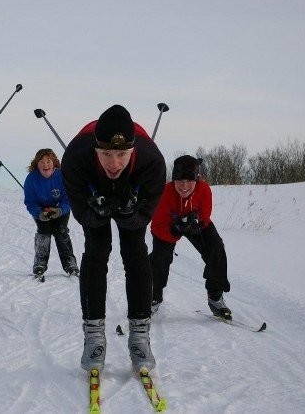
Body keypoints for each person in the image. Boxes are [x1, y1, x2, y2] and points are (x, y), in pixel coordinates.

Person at [61, 104, 166, 373]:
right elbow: (83, 215)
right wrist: (97, 212)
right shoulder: (75, 158)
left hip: (134, 186)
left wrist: (129, 212)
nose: (114, 162)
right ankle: (94, 335)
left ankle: (140, 337)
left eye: (121, 153)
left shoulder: (152, 162)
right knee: (97, 249)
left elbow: (144, 217)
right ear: (96, 149)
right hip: (91, 187)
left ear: (133, 150)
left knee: (135, 250)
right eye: (106, 153)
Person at [149, 155, 231, 319]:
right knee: (159, 258)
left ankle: (215, 297)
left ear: (197, 179)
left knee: (216, 247)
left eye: (189, 181)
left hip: (195, 225)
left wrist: (197, 224)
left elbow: (205, 216)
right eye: (180, 181)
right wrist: (174, 229)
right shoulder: (164, 193)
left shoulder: (204, 189)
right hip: (168, 226)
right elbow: (157, 226)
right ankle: (152, 297)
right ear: (173, 180)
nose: (184, 186)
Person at [23, 148, 79, 280]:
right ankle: (40, 264)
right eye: (41, 162)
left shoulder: (62, 176)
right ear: (36, 164)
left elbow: (68, 198)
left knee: (61, 231)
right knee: (44, 232)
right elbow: (30, 202)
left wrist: (59, 210)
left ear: (54, 163)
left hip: (60, 208)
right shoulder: (31, 179)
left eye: (48, 161)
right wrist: (39, 213)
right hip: (41, 210)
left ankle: (70, 264)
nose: (45, 165)